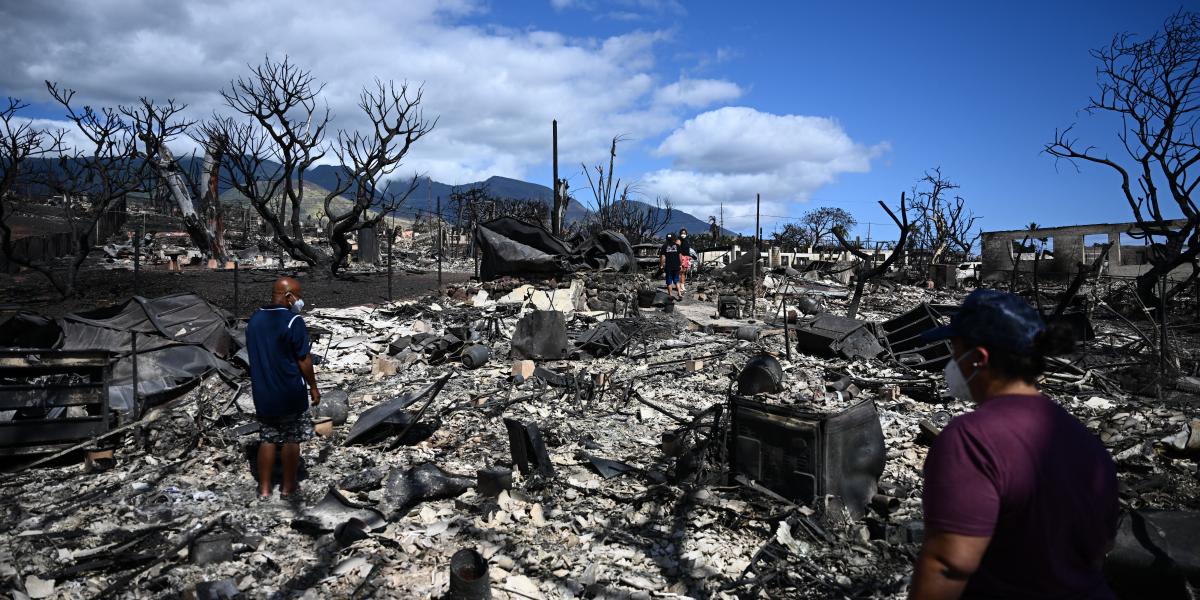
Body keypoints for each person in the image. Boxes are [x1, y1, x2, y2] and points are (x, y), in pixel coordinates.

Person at [910, 289, 1118, 600]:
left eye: (955, 350)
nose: (952, 363)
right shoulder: (1084, 440)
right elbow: (1100, 546)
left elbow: (948, 564)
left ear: (978, 358)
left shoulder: (971, 440)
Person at [246, 277, 320, 500]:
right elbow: (303, 359)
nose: (300, 300)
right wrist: (313, 387)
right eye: (298, 295)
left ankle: (264, 489)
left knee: (267, 438)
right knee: (291, 439)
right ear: (289, 297)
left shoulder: (255, 319)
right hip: (289, 391)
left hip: (263, 391)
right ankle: (288, 488)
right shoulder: (292, 321)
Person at [658, 232, 682, 300]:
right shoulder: (677, 246)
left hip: (668, 266)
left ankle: (670, 295)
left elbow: (663, 257)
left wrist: (661, 265)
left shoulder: (664, 246)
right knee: (676, 280)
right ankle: (679, 293)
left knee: (669, 281)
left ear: (666, 239)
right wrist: (680, 265)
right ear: (674, 239)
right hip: (676, 266)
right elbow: (680, 257)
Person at [677, 228, 693, 293]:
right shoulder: (679, 240)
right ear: (680, 234)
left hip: (686, 257)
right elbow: (677, 250)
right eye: (682, 233)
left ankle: (683, 285)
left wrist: (689, 257)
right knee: (680, 272)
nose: (683, 234)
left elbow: (688, 250)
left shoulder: (686, 241)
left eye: (684, 233)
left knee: (684, 272)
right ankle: (679, 286)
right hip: (681, 257)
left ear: (686, 234)